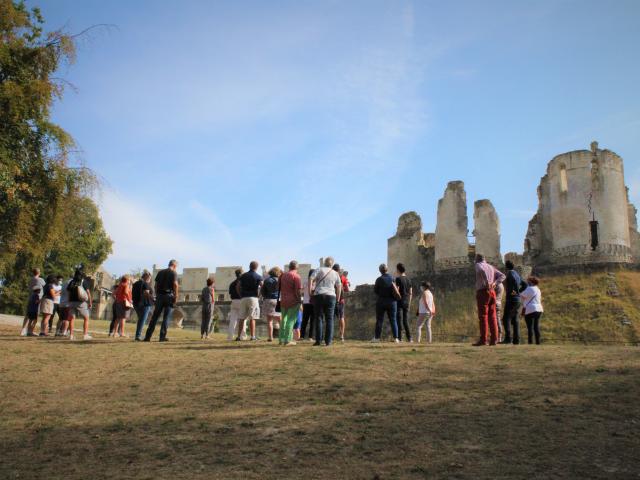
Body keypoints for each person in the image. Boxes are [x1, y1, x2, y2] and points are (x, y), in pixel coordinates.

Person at [473, 254, 506, 347]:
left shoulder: (478, 265)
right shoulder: (491, 267)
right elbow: (503, 276)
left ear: (477, 259)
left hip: (483, 291)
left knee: (483, 316)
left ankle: (483, 340)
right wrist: (495, 283)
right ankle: (494, 339)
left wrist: (487, 282)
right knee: (492, 316)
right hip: (492, 292)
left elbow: (481, 270)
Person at [144, 260, 179, 342]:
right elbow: (175, 284)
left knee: (155, 317)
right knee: (166, 317)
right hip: (169, 296)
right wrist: (176, 296)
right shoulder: (174, 273)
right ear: (174, 266)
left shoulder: (160, 272)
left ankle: (147, 336)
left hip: (159, 296)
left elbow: (155, 285)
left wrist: (157, 294)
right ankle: (162, 337)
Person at [311, 257, 342, 346]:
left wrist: (310, 291)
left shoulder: (319, 269)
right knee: (330, 319)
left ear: (324, 263)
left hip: (319, 294)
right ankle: (328, 341)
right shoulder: (335, 273)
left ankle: (318, 340)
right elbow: (339, 286)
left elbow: (311, 278)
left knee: (319, 318)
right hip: (331, 295)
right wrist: (338, 299)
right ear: (332, 264)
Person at [61, 269, 93, 341]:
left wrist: (69, 301)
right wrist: (90, 302)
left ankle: (71, 335)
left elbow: (68, 292)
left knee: (71, 319)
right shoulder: (83, 281)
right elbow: (88, 292)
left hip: (72, 302)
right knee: (86, 318)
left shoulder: (71, 282)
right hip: (81, 302)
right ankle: (85, 335)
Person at [372, 263, 400, 343]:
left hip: (381, 301)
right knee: (393, 320)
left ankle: (377, 338)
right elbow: (396, 289)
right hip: (392, 302)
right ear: (387, 270)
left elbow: (376, 291)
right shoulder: (392, 278)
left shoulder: (379, 279)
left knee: (379, 320)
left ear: (380, 271)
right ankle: (396, 338)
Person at [501, 260, 527, 344]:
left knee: (506, 319)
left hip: (511, 299)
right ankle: (516, 340)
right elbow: (525, 284)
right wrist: (518, 292)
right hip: (518, 300)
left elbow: (513, 286)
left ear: (506, 267)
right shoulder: (516, 274)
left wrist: (513, 292)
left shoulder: (510, 274)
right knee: (515, 319)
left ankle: (508, 339)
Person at [236, 261, 263, 341]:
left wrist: (240, 295)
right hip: (253, 298)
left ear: (249, 266)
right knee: (253, 318)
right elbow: (262, 286)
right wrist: (259, 295)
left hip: (244, 298)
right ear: (256, 267)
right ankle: (253, 336)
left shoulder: (243, 276)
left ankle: (238, 337)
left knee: (241, 318)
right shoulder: (258, 276)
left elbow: (237, 286)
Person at [279, 261, 303, 345]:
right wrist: (300, 300)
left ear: (289, 267)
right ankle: (288, 340)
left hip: (283, 300)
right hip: (293, 301)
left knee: (283, 320)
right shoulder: (296, 276)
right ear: (297, 267)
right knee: (291, 320)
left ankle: (281, 339)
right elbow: (298, 291)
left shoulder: (282, 276)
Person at [21, 268, 45, 336]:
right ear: (39, 272)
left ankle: (23, 329)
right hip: (38, 298)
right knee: (35, 316)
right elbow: (45, 287)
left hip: (30, 298)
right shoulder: (40, 280)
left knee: (28, 315)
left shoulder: (30, 280)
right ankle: (30, 331)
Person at [520, 276, 544, 345]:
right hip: (539, 308)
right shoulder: (538, 289)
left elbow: (521, 295)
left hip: (531, 308)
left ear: (531, 282)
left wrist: (514, 292)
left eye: (529, 281)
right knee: (536, 326)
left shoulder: (529, 288)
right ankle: (538, 342)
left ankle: (530, 342)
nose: (528, 282)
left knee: (530, 327)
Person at [261, 267, 281, 342]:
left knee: (269, 320)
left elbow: (262, 291)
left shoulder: (266, 280)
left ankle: (270, 337)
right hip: (277, 300)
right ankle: (282, 336)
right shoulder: (280, 280)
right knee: (280, 320)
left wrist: (266, 296)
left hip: (268, 300)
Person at [132, 271, 154, 341]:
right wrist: (153, 298)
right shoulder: (146, 284)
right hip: (145, 304)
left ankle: (138, 334)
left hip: (136, 304)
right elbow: (146, 293)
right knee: (142, 320)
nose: (150, 279)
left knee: (140, 320)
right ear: (147, 277)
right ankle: (138, 335)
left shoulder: (135, 284)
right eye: (150, 278)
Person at [395, 263, 413, 342]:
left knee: (399, 320)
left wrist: (396, 298)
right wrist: (409, 302)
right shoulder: (409, 279)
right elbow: (411, 293)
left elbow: (397, 291)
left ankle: (400, 338)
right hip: (406, 301)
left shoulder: (398, 279)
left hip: (399, 301)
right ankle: (410, 338)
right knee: (406, 321)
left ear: (398, 270)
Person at [333, 264, 350, 342]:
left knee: (330, 318)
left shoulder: (331, 276)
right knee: (341, 318)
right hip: (340, 300)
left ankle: (329, 335)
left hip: (331, 299)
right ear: (339, 270)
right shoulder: (343, 278)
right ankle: (341, 336)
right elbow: (347, 289)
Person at [228, 269, 245, 341]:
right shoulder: (243, 283)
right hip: (241, 301)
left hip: (234, 301)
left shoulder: (232, 283)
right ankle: (242, 336)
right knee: (243, 319)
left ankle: (230, 337)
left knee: (232, 320)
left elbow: (230, 294)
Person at [300, 269, 316, 341]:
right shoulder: (315, 283)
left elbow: (302, 291)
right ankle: (310, 337)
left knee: (304, 320)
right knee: (312, 320)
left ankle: (302, 336)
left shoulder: (305, 282)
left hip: (306, 302)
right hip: (313, 303)